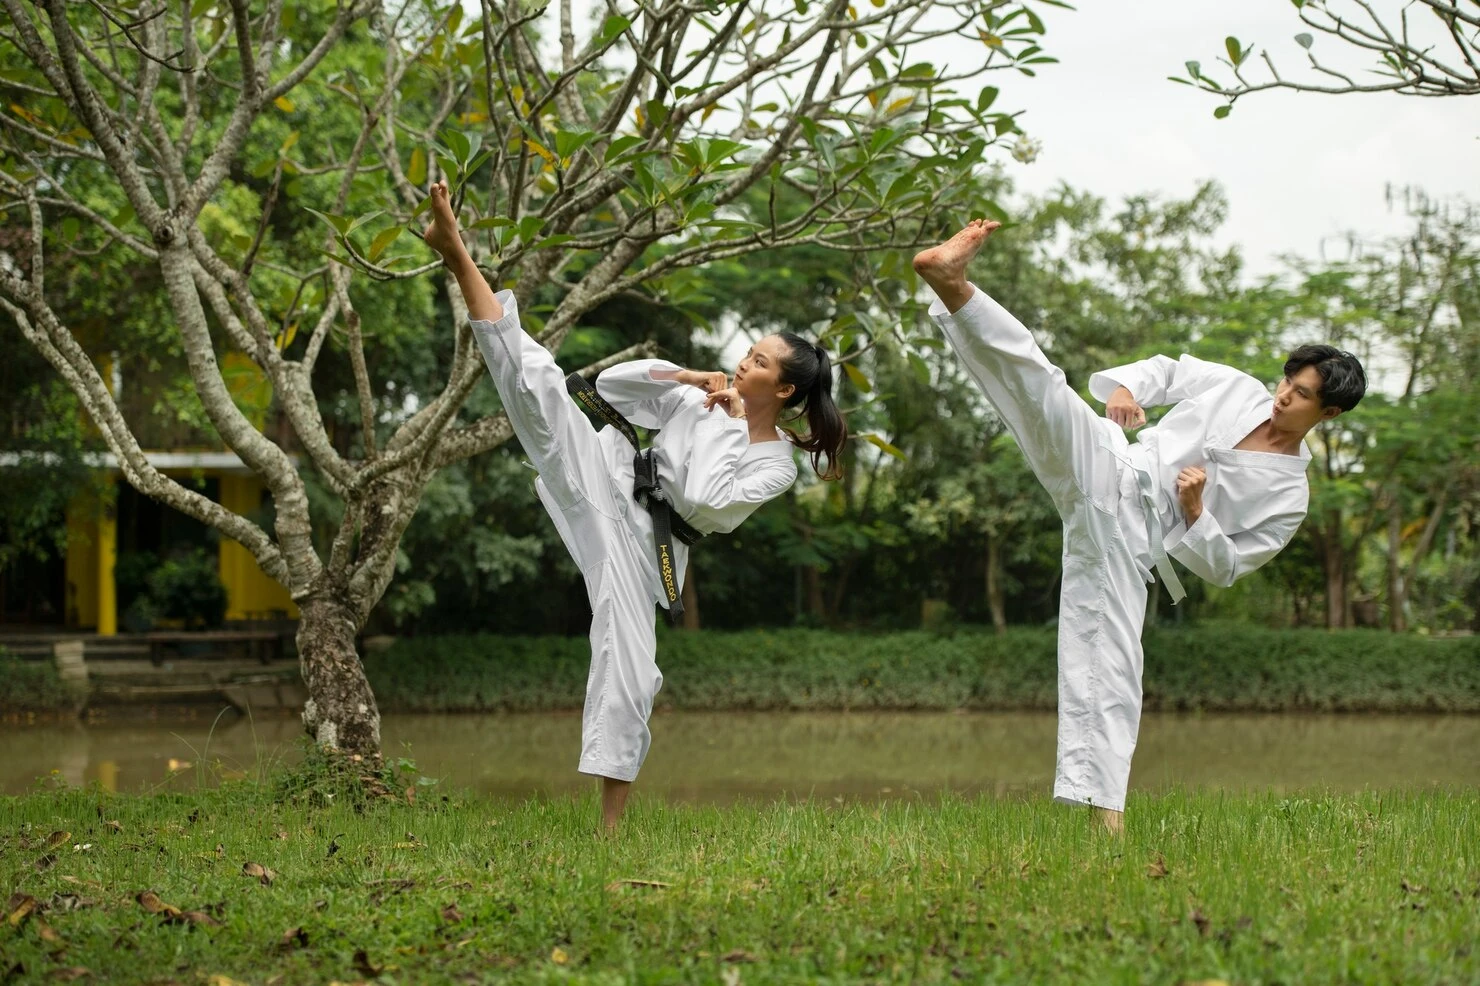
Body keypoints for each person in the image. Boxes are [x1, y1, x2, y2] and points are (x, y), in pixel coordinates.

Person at [913, 219, 1366, 833]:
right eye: (1289, 380)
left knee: (1115, 665)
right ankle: (953, 285)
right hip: (1113, 464)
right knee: (1039, 392)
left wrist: (1198, 514)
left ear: (1329, 411)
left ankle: (1106, 813)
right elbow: (1167, 370)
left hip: (1133, 542)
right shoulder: (1237, 388)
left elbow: (1230, 567)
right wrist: (1127, 387)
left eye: (1303, 393)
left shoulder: (1289, 496)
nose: (1284, 395)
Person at [421, 181, 848, 831]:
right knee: (538, 383)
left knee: (632, 672)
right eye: (747, 352)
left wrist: (728, 422)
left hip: (650, 544)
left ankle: (610, 829)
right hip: (610, 472)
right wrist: (684, 378)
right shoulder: (702, 394)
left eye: (758, 362)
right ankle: (458, 256)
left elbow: (703, 500)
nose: (741, 363)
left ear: (784, 387)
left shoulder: (775, 464)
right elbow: (607, 388)